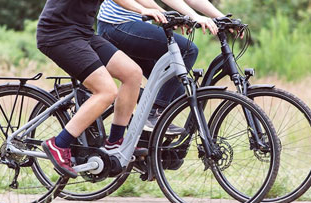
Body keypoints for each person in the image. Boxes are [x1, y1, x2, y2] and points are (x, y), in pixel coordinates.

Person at [36, 0, 167, 178]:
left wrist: (164, 14)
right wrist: (143, 10)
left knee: (133, 73)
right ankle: (59, 144)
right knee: (106, 91)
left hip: (84, 33)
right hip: (58, 35)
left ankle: (114, 142)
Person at [97, 0, 225, 133]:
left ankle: (142, 139)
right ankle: (155, 112)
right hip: (116, 25)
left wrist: (221, 17)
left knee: (177, 92)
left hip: (133, 26)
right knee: (188, 50)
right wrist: (190, 16)